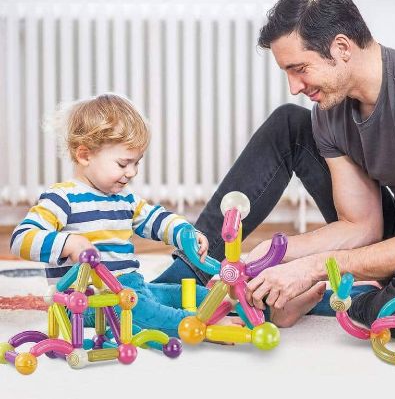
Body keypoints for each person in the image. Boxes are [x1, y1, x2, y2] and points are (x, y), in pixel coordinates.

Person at [154, 0, 395, 338]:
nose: (295, 86)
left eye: (300, 69)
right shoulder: (329, 111)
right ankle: (182, 280)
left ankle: (337, 297)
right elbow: (363, 226)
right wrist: (273, 254)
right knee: (290, 124)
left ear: (341, 48)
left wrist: (311, 269)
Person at [10, 93, 241, 336]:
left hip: (129, 288)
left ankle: (237, 306)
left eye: (136, 163)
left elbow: (154, 218)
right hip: (87, 302)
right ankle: (200, 325)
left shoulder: (125, 198)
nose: (132, 172)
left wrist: (183, 232)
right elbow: (21, 238)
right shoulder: (62, 198)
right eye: (123, 164)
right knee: (144, 311)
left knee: (184, 293)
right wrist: (69, 243)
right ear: (85, 155)